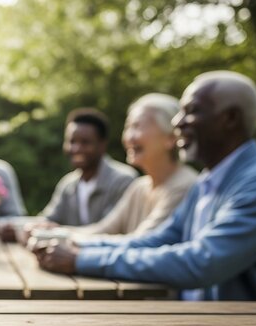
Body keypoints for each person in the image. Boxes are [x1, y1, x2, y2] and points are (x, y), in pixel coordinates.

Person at [34, 71, 256, 301]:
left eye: (192, 111)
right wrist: (76, 247)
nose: (178, 123)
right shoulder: (207, 182)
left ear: (230, 118)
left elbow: (200, 262)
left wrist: (80, 260)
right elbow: (158, 240)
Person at [69, 94, 197, 238]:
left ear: (171, 138)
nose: (129, 137)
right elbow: (103, 229)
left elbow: (141, 242)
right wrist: (51, 233)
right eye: (128, 127)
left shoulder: (183, 187)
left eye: (137, 126)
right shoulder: (139, 187)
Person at [39, 108, 137, 226]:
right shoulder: (68, 185)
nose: (76, 148)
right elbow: (48, 219)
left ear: (102, 145)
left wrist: (61, 232)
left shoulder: (123, 181)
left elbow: (110, 229)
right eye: (72, 141)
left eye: (85, 142)